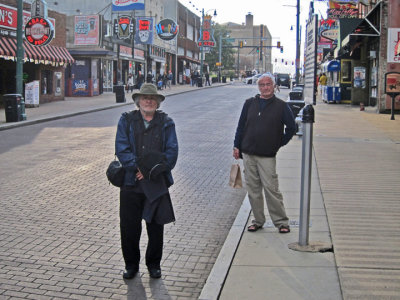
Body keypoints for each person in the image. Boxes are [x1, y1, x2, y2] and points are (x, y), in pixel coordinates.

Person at [115, 83, 178, 280]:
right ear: (138, 101)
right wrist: (138, 168)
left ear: (157, 102)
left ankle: (154, 265)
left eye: (152, 98)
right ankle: (131, 265)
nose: (148, 101)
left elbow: (171, 153)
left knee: (155, 227)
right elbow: (121, 149)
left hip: (156, 184)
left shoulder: (166, 122)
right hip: (131, 183)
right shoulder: (126, 120)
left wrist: (149, 172)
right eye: (145, 98)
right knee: (129, 227)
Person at [233, 73, 296, 233]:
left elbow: (291, 128)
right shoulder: (249, 104)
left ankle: (281, 222)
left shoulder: (281, 106)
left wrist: (278, 143)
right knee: (253, 190)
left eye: (268, 84)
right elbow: (241, 126)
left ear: (274, 86)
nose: (265, 87)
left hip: (267, 155)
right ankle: (258, 220)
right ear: (258, 87)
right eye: (262, 85)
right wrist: (236, 146)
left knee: (271, 188)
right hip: (248, 153)